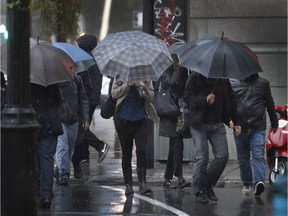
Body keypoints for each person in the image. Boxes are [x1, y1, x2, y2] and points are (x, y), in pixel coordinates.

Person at [183, 72, 241, 204]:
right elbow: (187, 98)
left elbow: (231, 100)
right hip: (198, 124)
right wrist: (204, 99)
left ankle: (207, 184)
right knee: (202, 157)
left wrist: (236, 121)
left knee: (223, 156)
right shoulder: (195, 76)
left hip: (217, 123)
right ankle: (199, 191)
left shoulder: (222, 79)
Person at [230, 73, 278, 196]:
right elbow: (229, 105)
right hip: (240, 127)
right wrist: (230, 120)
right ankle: (247, 183)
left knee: (258, 155)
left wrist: (274, 124)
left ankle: (259, 182)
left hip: (258, 128)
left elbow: (270, 104)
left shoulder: (263, 84)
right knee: (243, 158)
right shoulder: (234, 83)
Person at [111, 78, 158, 195]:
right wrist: (128, 84)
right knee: (126, 153)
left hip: (141, 120)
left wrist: (144, 87)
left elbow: (151, 98)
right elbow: (114, 94)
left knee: (142, 151)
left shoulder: (146, 76)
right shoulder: (120, 74)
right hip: (123, 121)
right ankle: (128, 185)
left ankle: (143, 184)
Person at [72, 34, 110, 178]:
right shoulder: (93, 58)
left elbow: (83, 82)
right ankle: (84, 155)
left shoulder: (84, 59)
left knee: (80, 127)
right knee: (83, 125)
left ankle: (100, 146)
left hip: (87, 99)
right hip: (92, 98)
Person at [158, 57, 191, 189]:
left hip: (179, 112)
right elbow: (171, 82)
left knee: (175, 144)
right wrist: (177, 68)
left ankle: (168, 178)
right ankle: (180, 177)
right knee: (177, 143)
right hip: (169, 111)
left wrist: (179, 67)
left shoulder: (183, 70)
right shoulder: (166, 71)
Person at [31, 83, 63, 209]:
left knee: (36, 159)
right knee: (47, 159)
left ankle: (39, 190)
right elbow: (58, 100)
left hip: (33, 121)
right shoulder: (49, 79)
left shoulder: (25, 78)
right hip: (49, 122)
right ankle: (46, 194)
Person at [54, 74, 90, 185]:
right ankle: (64, 175)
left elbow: (83, 100)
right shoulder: (55, 80)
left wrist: (85, 118)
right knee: (62, 147)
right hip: (59, 119)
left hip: (73, 120)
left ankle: (59, 170)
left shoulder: (77, 80)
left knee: (68, 150)